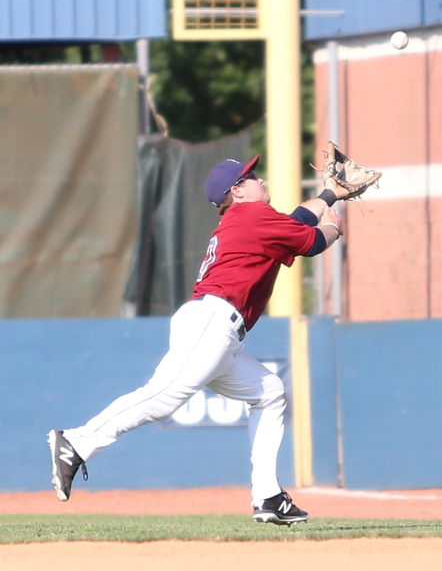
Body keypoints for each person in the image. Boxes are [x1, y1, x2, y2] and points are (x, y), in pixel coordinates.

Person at [48, 154, 347, 525]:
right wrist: (335, 226)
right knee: (161, 398)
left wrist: (331, 193)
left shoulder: (250, 220)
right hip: (212, 321)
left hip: (222, 331)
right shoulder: (251, 216)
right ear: (237, 191)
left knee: (269, 393)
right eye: (252, 176)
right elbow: (313, 240)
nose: (261, 180)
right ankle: (76, 442)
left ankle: (268, 496)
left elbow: (298, 220)